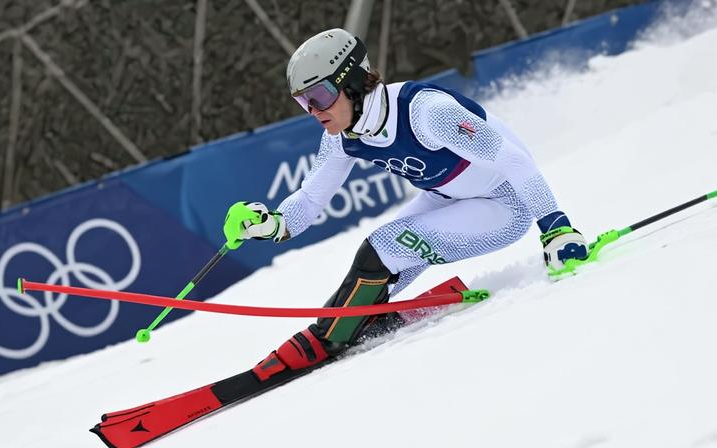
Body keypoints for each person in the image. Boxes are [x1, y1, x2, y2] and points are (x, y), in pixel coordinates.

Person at [225, 28, 588, 375]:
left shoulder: (425, 111)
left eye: (318, 96)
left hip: (504, 204)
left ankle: (328, 337)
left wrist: (556, 229)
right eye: (303, 102)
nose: (314, 110)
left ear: (351, 83)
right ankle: (344, 327)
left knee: (381, 248)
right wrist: (271, 223)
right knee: (379, 271)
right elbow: (308, 199)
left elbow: (513, 160)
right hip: (446, 197)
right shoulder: (341, 136)